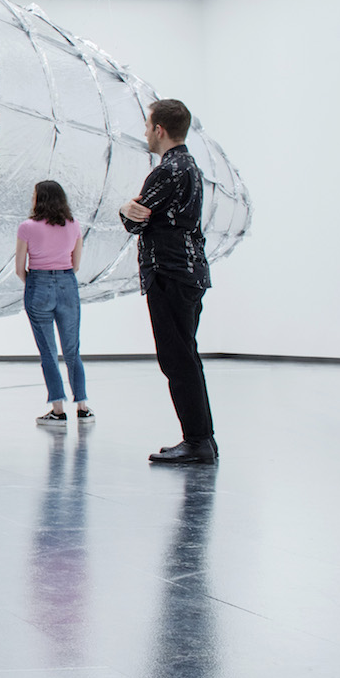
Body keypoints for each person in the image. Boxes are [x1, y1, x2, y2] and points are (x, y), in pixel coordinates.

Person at [120, 100, 215, 465]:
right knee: (186, 356)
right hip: (190, 272)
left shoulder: (167, 171)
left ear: (159, 129)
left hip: (169, 273)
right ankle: (202, 438)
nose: (145, 132)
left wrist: (124, 210)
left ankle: (197, 441)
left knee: (176, 360)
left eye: (147, 126)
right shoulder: (190, 167)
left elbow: (136, 220)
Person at [16, 180, 91, 428]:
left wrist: (36, 283)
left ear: (40, 199)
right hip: (68, 285)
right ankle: (82, 406)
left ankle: (57, 410)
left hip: (38, 284)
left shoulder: (27, 227)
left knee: (48, 351)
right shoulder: (74, 225)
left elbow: (19, 269)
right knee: (72, 350)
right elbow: (76, 264)